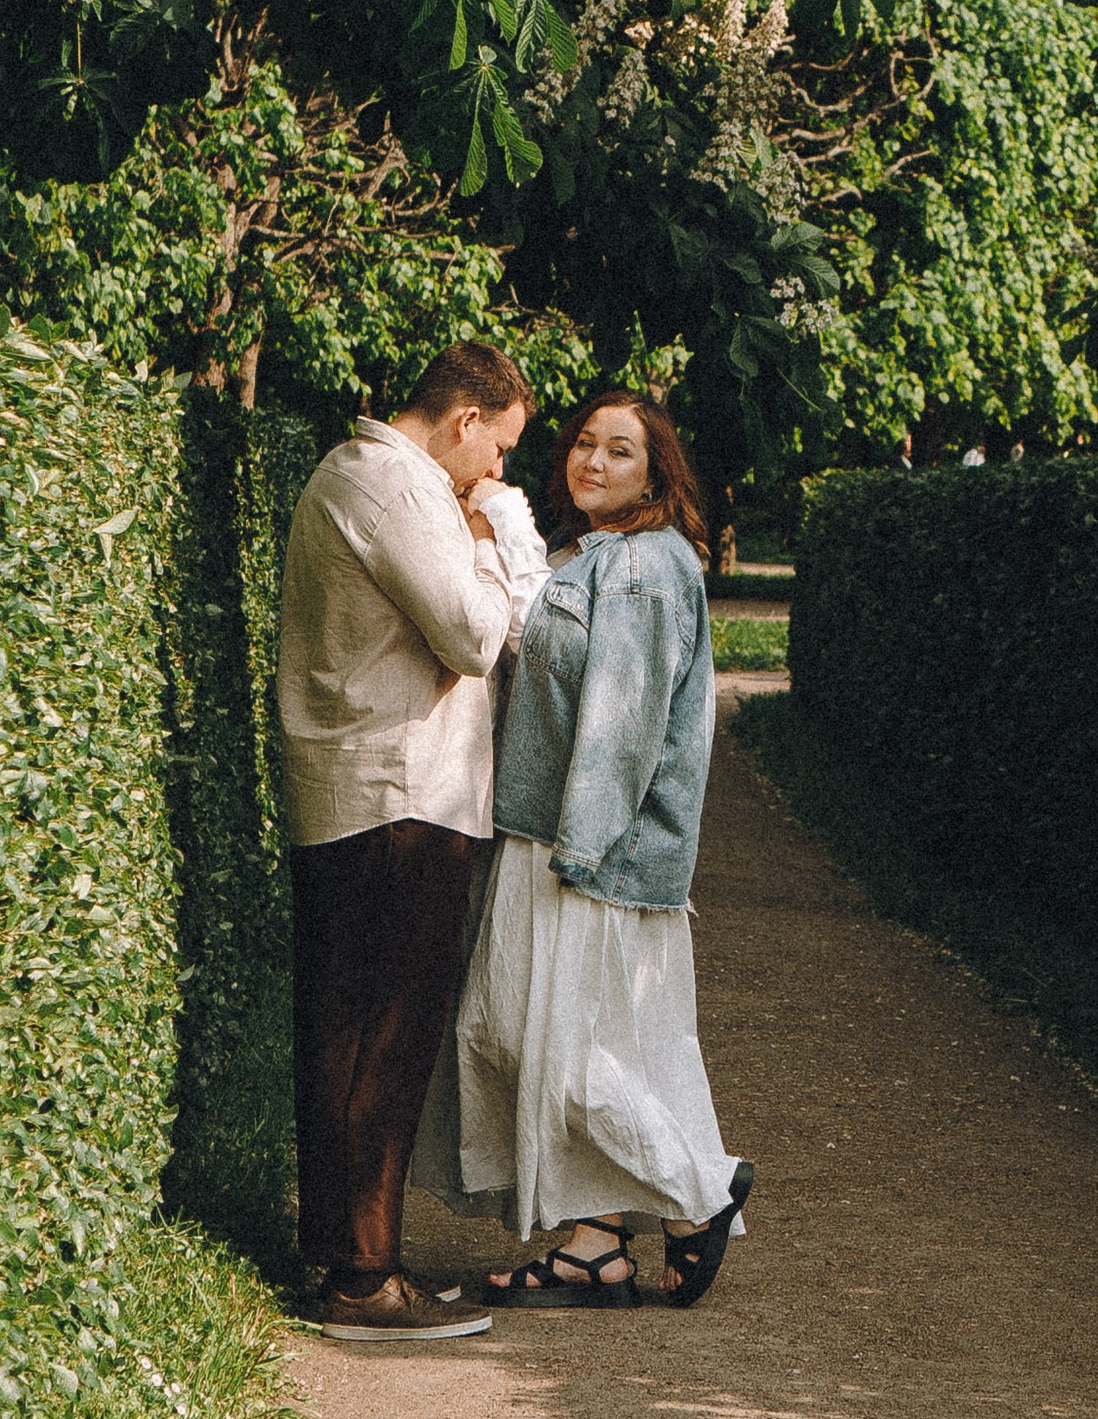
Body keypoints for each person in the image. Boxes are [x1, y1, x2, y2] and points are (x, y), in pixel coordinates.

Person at [432, 386, 751, 1307]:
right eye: (583, 445)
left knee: (550, 1053)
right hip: (543, 835)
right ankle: (595, 1246)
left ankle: (698, 1191)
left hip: (588, 853)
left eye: (619, 451)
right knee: (524, 1035)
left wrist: (583, 850)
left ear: (657, 472)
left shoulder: (648, 569)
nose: (592, 462)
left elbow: (625, 726)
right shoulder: (595, 554)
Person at [277, 340, 534, 1340]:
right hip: (395, 798)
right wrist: (480, 542)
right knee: (377, 1040)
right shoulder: (393, 486)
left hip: (390, 794)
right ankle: (361, 1280)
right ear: (464, 421)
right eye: (500, 449)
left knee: (360, 1031)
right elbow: (474, 636)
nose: (499, 474)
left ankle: (354, 1256)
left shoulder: (376, 479)